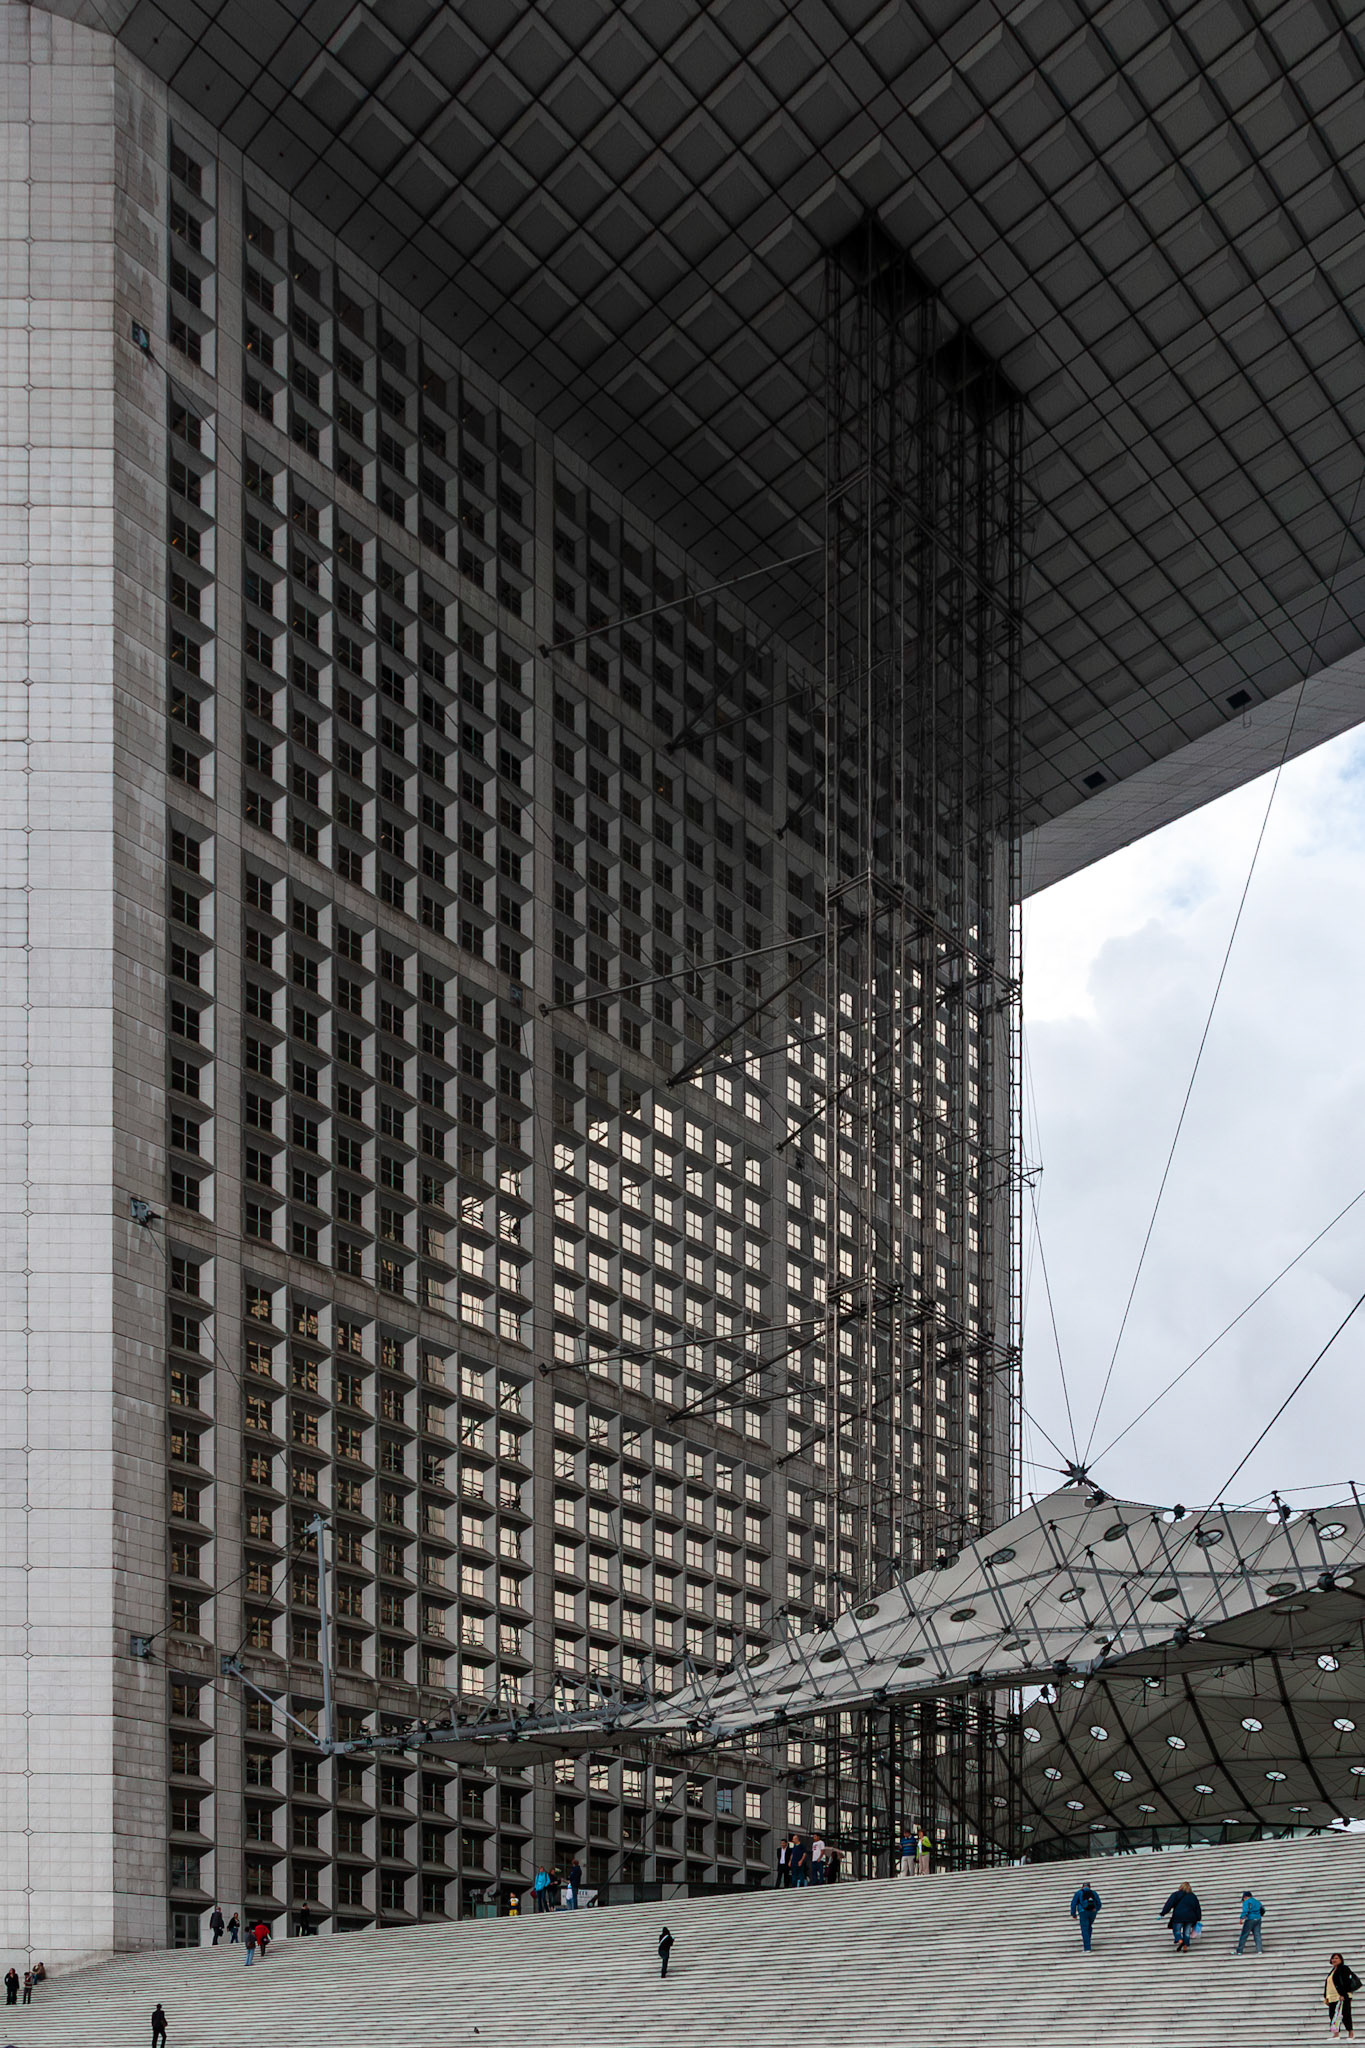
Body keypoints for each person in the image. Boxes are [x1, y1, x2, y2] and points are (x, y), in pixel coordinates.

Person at [1160, 1880, 1202, 1952]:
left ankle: (1180, 1941)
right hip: (1190, 1917)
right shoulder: (1193, 1896)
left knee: (1176, 1930)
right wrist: (1198, 1917)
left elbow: (1169, 1904)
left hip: (1178, 1916)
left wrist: (1163, 1913)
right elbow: (1197, 1908)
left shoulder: (1176, 1894)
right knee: (1187, 1932)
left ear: (1181, 1887)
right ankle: (1185, 1947)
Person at [1327, 1954, 1361, 2039]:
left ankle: (1351, 2033)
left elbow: (1346, 1982)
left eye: (1336, 1958)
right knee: (1333, 2015)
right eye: (1333, 1958)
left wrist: (1343, 1994)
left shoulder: (1344, 1968)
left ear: (1341, 1960)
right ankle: (1336, 2034)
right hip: (1332, 1997)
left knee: (1346, 2015)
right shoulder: (1333, 1970)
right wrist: (1326, 1996)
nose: (1334, 1960)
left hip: (1342, 1996)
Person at [1070, 1879, 1102, 1952]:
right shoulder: (1093, 1893)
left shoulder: (1079, 1892)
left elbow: (1073, 1904)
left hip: (1083, 1912)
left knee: (1084, 1928)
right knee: (1089, 1926)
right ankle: (1088, 1942)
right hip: (1092, 1912)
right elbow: (1099, 1903)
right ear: (1089, 1887)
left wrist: (1073, 1914)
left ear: (1082, 1887)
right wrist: (1095, 1909)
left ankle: (1087, 1948)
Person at [1236, 1890, 1265, 1954]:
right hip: (1258, 1919)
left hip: (1250, 1919)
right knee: (1257, 1935)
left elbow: (1245, 1911)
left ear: (1245, 1897)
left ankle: (1239, 1951)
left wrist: (1241, 1918)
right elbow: (1263, 1910)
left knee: (1244, 1935)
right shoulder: (1258, 1902)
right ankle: (1259, 1950)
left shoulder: (1246, 1902)